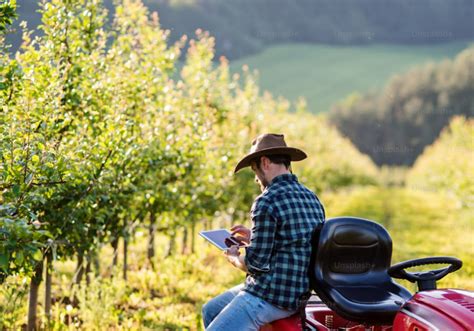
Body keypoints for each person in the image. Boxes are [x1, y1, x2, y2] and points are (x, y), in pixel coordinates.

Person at [202, 133, 326, 330]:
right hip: (298, 292)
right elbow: (298, 242)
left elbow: (255, 265)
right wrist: (255, 237)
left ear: (265, 162)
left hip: (270, 295)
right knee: (210, 309)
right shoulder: (312, 198)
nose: (255, 178)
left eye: (254, 170)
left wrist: (233, 257)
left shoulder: (266, 200)